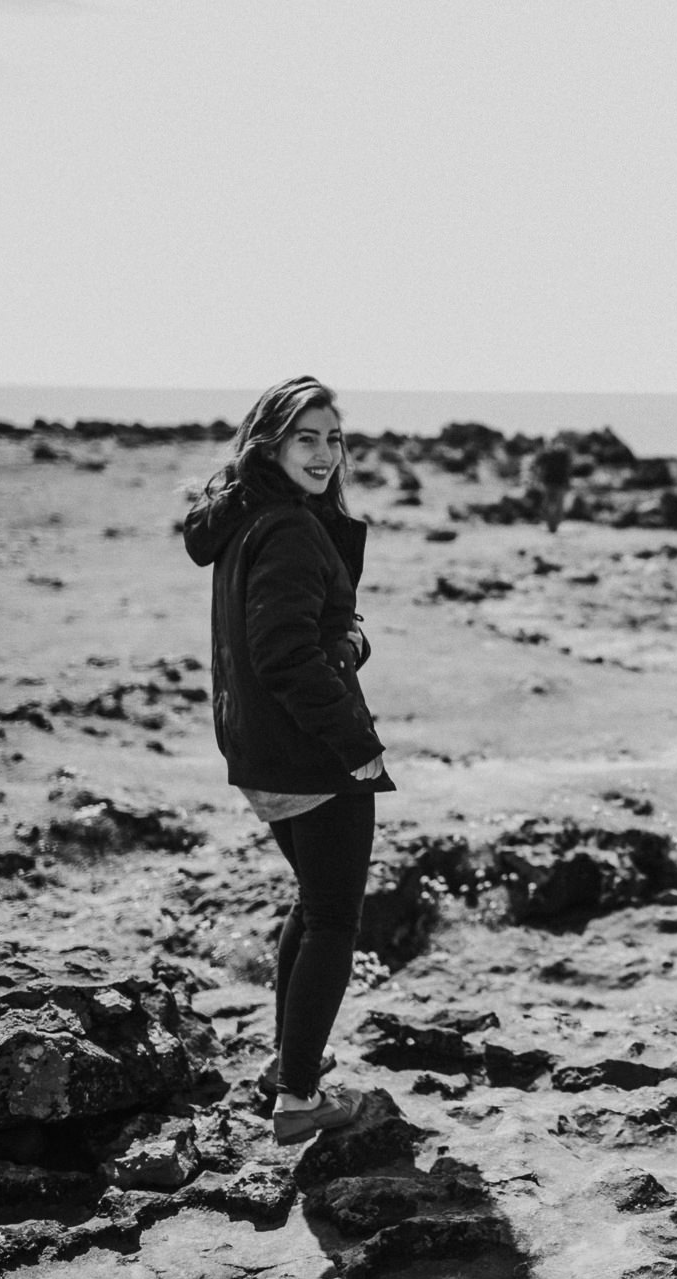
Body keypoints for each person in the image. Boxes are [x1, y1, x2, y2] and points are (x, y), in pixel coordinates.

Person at [184, 376, 392, 1147]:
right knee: (334, 919)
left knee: (312, 906)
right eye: (307, 437)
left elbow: (295, 636)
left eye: (334, 439)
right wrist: (359, 749)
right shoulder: (289, 529)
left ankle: (289, 1067)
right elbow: (285, 656)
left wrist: (350, 641)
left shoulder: (251, 520)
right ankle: (299, 1098)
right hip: (308, 756)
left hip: (260, 753)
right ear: (269, 443)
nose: (325, 453)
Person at [530, 436, 575, 532]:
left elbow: (537, 464)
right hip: (554, 482)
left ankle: (551, 523)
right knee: (554, 504)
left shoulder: (551, 453)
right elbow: (569, 469)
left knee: (552, 503)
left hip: (552, 482)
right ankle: (552, 523)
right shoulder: (563, 454)